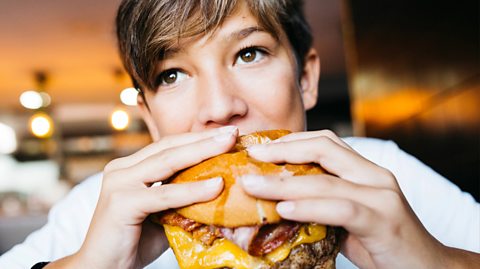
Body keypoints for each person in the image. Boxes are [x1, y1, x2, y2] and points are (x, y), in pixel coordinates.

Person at [1, 0, 479, 268]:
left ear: (306, 78)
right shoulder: (97, 208)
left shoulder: (381, 173)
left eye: (249, 53)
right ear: (148, 117)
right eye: (172, 75)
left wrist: (434, 263)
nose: (220, 108)